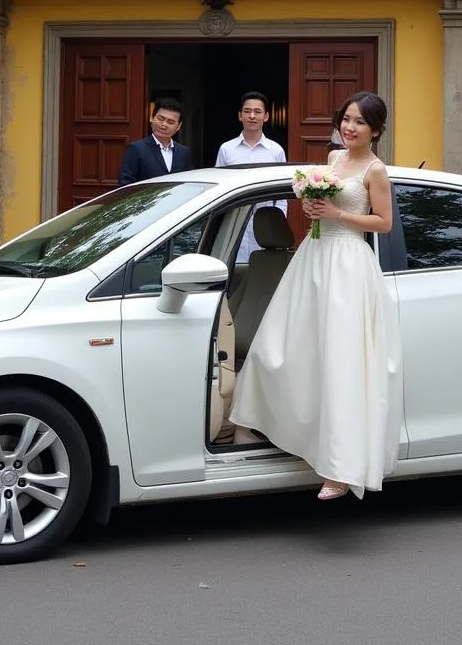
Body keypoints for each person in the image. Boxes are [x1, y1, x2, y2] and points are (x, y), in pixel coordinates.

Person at [229, 91, 401, 501]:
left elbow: (384, 223)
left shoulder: (375, 170)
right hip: (314, 257)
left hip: (348, 265)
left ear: (375, 130)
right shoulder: (331, 161)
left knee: (341, 361)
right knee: (288, 347)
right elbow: (320, 205)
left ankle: (339, 470)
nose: (349, 127)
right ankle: (263, 426)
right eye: (345, 118)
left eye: (359, 122)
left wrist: (338, 214)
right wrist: (312, 208)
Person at [215, 91, 287, 262]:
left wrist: (278, 221)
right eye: (247, 111)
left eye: (257, 111)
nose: (252, 116)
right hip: (233, 221)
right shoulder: (227, 149)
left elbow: (282, 196)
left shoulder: (275, 150)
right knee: (233, 268)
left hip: (265, 222)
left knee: (264, 268)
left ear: (266, 116)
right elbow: (218, 187)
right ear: (240, 116)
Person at [117, 98, 193, 185]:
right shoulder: (136, 149)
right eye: (160, 119)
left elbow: (188, 183)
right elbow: (125, 184)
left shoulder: (183, 152)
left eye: (170, 122)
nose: (164, 125)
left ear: (179, 126)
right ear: (152, 118)